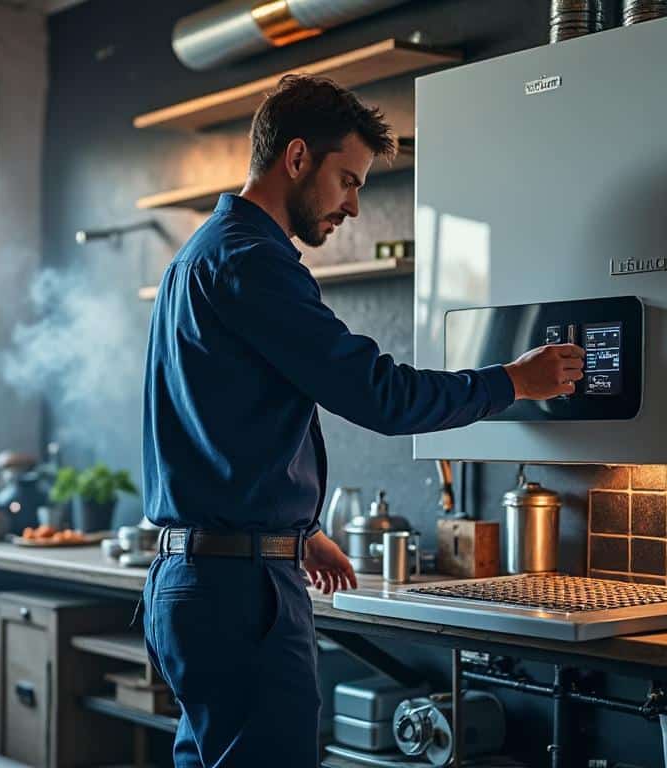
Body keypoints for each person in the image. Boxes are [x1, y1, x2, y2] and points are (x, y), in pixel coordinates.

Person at [141, 74, 583, 767]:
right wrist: (513, 382)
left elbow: (214, 421)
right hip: (239, 593)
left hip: (195, 581)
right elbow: (382, 396)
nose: (352, 204)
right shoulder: (255, 261)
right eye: (346, 179)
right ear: (295, 159)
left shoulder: (198, 256)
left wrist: (298, 528)